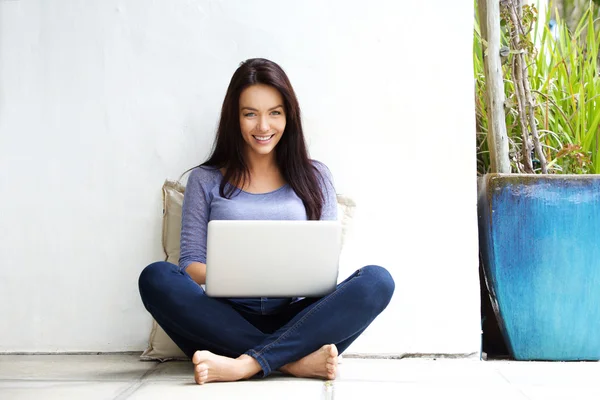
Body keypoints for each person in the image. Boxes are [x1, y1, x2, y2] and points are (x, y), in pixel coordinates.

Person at [138, 58, 395, 385]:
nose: (263, 126)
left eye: (274, 112)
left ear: (289, 116)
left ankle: (243, 364)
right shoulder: (205, 180)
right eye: (250, 114)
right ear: (235, 117)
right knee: (156, 277)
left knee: (377, 281)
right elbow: (190, 265)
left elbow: (323, 266)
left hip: (301, 319)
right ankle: (291, 362)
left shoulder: (316, 177)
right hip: (223, 319)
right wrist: (241, 274)